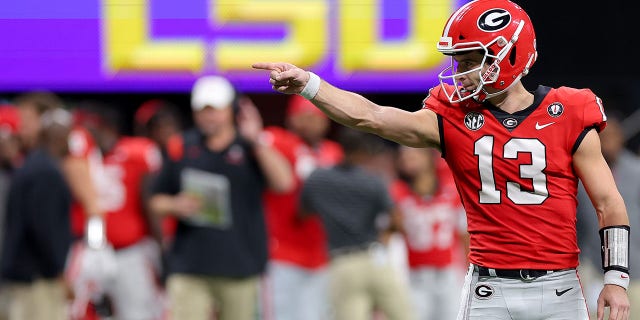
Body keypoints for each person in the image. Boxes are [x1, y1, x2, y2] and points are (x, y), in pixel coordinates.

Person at [252, 0, 631, 319]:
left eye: (471, 60)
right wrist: (310, 85)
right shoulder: (451, 115)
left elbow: (608, 203)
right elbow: (372, 116)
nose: (461, 72)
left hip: (560, 286)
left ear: (511, 53)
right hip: (489, 287)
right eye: (459, 60)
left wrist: (616, 278)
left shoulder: (570, 110)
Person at [148, 75, 293, 320]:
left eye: (215, 110)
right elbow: (155, 200)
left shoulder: (250, 146)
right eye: (202, 110)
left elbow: (284, 183)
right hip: (190, 265)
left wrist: (256, 139)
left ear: (231, 110)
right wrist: (176, 204)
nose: (208, 116)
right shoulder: (181, 145)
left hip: (240, 266)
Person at [299, 127, 413, 320]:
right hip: (374, 257)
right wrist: (385, 234)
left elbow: (303, 213)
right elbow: (398, 219)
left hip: (342, 262)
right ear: (363, 152)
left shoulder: (318, 178)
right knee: (404, 316)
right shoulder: (372, 182)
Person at [66, 101, 165, 320]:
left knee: (138, 312)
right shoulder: (77, 160)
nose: (85, 135)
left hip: (129, 251)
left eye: (90, 128)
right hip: (88, 250)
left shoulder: (136, 152)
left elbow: (149, 202)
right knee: (80, 311)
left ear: (107, 127)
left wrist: (161, 246)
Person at [262, 95, 343, 320]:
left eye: (316, 117)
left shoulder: (334, 152)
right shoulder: (278, 140)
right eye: (305, 117)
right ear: (292, 118)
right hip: (282, 251)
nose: (311, 123)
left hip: (321, 254)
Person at [1, 108, 74, 320]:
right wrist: (59, 270)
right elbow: (44, 227)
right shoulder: (45, 172)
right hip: (36, 276)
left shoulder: (32, 165)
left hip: (23, 273)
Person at [576, 113, 640, 319]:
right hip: (592, 265)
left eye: (614, 136)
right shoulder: (581, 173)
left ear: (622, 138)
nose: (610, 142)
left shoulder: (636, 171)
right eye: (605, 137)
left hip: (635, 266)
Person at [393, 146, 468, 320]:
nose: (408, 160)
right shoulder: (397, 192)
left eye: (413, 155)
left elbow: (464, 234)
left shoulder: (451, 189)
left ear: (428, 157)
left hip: (449, 272)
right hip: (415, 275)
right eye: (404, 156)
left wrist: (469, 269)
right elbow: (391, 235)